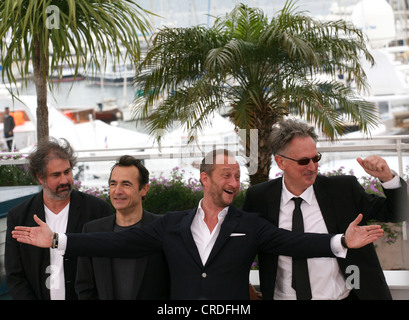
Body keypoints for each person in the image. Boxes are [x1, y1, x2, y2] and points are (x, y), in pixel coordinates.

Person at [12, 149, 384, 300]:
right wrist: (59, 240)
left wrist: (340, 242)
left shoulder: (250, 224)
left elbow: (294, 243)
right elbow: (115, 244)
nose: (234, 183)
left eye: (237, 177)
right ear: (205, 179)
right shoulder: (171, 225)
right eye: (226, 175)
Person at [242, 119, 409, 300]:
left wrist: (387, 178)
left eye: (316, 158)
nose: (312, 167)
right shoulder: (258, 198)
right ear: (280, 162)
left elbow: (398, 212)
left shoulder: (343, 190)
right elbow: (240, 249)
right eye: (304, 161)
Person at [5, 137, 113, 300]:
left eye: (67, 172)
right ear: (40, 177)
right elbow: (15, 275)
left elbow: (107, 267)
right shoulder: (19, 216)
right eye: (56, 175)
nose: (65, 180)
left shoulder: (97, 211)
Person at [75, 155, 170, 300]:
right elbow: (84, 286)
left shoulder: (163, 229)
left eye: (126, 184)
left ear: (144, 189)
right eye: (113, 184)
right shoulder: (92, 230)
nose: (117, 191)